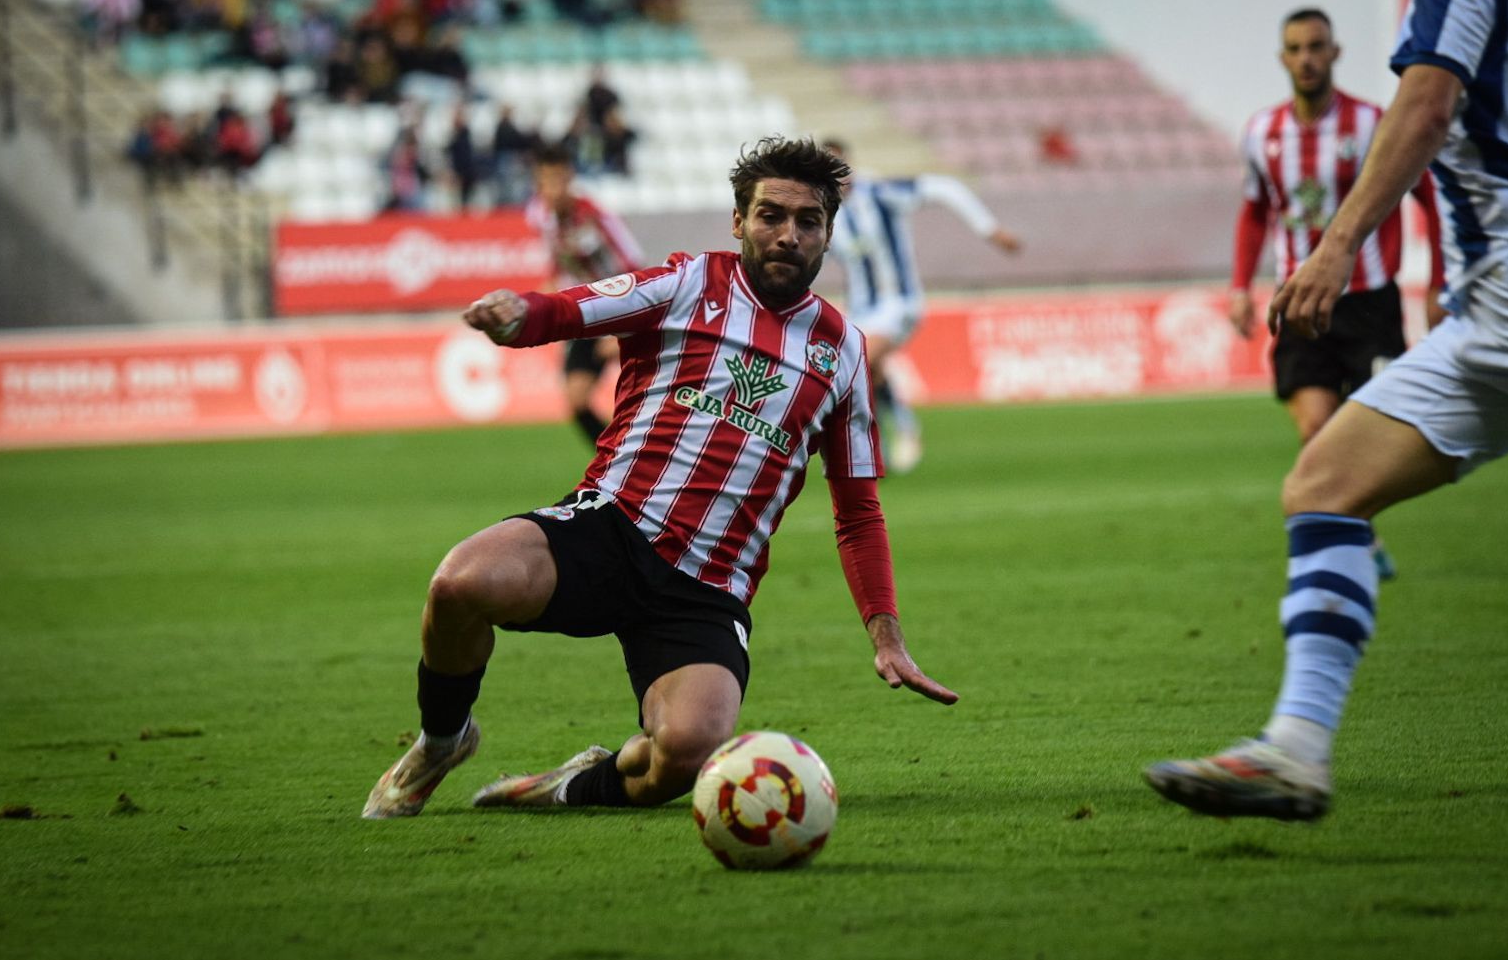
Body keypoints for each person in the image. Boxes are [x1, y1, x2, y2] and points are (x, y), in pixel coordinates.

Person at [363, 136, 958, 820]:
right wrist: (519, 315)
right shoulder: (686, 284)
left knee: (689, 750)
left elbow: (858, 511)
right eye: (771, 215)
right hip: (611, 528)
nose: (788, 234)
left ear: (829, 230)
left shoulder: (844, 353)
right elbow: (573, 308)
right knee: (458, 583)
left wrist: (886, 635)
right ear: (739, 221)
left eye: (808, 220)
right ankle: (443, 739)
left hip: (709, 588)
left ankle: (566, 785)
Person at [1144, 0, 1508, 822]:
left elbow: (1427, 101)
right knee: (1323, 482)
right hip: (1496, 311)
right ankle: (1295, 747)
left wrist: (1334, 246)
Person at [1230, 7, 1447, 580]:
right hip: (1298, 302)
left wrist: (1439, 280)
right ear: (1283, 57)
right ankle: (1357, 540)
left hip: (1369, 300)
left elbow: (1427, 196)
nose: (1306, 58)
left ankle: (1354, 522)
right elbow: (1254, 214)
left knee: (1376, 434)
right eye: (1296, 48)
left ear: (1335, 52)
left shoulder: (1372, 124)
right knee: (1314, 430)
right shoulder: (1261, 132)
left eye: (1316, 46)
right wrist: (1239, 287)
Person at [821, 138, 1023, 472]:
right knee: (870, 370)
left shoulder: (881, 193)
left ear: (848, 164)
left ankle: (877, 441)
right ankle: (896, 432)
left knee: (859, 362)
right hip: (860, 309)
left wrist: (990, 230)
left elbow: (945, 187)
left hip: (899, 302)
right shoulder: (826, 212)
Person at [524, 142, 644, 444]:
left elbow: (634, 269)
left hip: (621, 312)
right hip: (587, 313)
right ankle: (615, 459)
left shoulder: (597, 218)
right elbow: (559, 263)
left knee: (644, 399)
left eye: (558, 180)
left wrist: (619, 327)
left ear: (570, 179)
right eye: (545, 182)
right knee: (576, 399)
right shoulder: (544, 218)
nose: (552, 190)